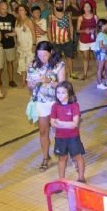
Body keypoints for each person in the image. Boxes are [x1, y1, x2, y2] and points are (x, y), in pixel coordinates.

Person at [26, 41, 66, 171]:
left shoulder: (59, 65)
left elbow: (63, 86)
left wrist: (50, 80)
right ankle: (45, 157)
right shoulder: (33, 65)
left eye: (44, 55)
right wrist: (34, 83)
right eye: (39, 55)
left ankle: (62, 154)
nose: (42, 58)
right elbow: (29, 86)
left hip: (56, 103)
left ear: (51, 52)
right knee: (43, 131)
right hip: (41, 102)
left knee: (59, 131)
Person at [50, 81, 86, 183]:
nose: (60, 95)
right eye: (58, 93)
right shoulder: (55, 106)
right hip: (60, 138)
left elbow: (74, 124)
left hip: (73, 137)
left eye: (63, 93)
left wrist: (60, 122)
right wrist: (67, 124)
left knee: (78, 157)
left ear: (69, 93)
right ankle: (62, 179)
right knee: (62, 158)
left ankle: (81, 177)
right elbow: (52, 123)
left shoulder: (74, 106)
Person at [0, 1, 18, 88]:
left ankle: (11, 80)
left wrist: (16, 41)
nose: (5, 11)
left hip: (9, 43)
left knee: (10, 62)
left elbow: (14, 30)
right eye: (3, 9)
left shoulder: (11, 17)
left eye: (6, 9)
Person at [14, 4, 36, 87]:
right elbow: (16, 32)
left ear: (26, 11)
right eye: (19, 10)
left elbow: (34, 33)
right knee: (21, 63)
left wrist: (34, 45)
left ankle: (30, 80)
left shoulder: (29, 20)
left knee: (30, 63)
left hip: (29, 44)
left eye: (22, 10)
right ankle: (23, 80)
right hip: (21, 45)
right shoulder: (17, 21)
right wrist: (9, 34)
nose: (20, 12)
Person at [76, 2, 97, 80]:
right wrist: (84, 31)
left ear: (91, 8)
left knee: (97, 57)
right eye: (85, 7)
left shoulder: (95, 17)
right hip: (84, 40)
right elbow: (77, 30)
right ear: (83, 8)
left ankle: (100, 72)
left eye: (88, 6)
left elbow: (98, 28)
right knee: (86, 58)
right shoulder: (80, 18)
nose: (87, 8)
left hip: (93, 40)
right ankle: (85, 74)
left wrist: (92, 30)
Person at [94, 19, 107, 90]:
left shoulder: (103, 34)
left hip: (105, 53)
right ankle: (99, 83)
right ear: (103, 26)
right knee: (100, 69)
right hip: (101, 53)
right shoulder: (101, 34)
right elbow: (101, 45)